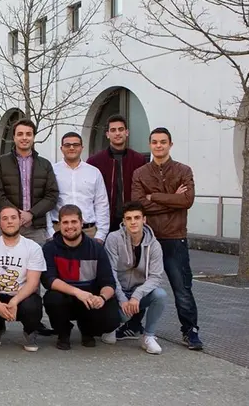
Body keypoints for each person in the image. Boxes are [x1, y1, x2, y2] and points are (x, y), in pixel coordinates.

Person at [131, 127, 202, 350]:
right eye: (154, 142)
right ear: (150, 144)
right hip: (148, 238)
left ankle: (190, 331)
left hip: (175, 237)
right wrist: (172, 199)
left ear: (170, 144)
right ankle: (134, 325)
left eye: (163, 142)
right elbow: (139, 204)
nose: (159, 145)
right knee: (140, 284)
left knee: (182, 287)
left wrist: (155, 197)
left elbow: (187, 201)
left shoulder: (183, 170)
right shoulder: (140, 173)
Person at [41, 205, 121, 350]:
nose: (70, 226)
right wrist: (78, 292)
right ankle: (63, 333)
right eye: (65, 222)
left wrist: (101, 298)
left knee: (112, 318)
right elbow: (49, 280)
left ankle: (88, 331)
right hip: (66, 299)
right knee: (52, 298)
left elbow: (108, 282)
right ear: (59, 225)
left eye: (74, 222)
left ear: (81, 222)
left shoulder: (96, 248)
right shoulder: (49, 249)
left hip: (90, 300)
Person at [102, 201, 167, 354]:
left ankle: (148, 336)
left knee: (160, 295)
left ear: (144, 220)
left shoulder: (154, 245)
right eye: (129, 218)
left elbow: (156, 277)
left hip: (138, 294)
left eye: (137, 218)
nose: (133, 222)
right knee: (115, 326)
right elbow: (109, 272)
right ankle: (113, 327)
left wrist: (137, 295)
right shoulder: (114, 238)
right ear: (124, 221)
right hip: (117, 293)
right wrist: (122, 299)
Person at [0, 206, 46, 351]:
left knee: (32, 306)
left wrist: (15, 301)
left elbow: (33, 283)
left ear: (20, 221)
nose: (9, 222)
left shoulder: (33, 247)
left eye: (13, 218)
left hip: (23, 297)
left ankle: (29, 331)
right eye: (4, 218)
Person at [0, 118, 58, 245]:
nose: (24, 138)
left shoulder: (44, 164)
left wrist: (31, 214)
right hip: (8, 227)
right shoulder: (1, 163)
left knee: (36, 264)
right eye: (20, 134)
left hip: (36, 228)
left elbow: (52, 195)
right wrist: (16, 215)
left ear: (33, 137)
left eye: (28, 134)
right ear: (14, 137)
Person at [87, 114, 147, 232]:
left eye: (121, 129)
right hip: (105, 221)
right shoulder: (94, 161)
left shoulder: (139, 160)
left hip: (132, 220)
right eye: (113, 130)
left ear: (127, 132)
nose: (117, 133)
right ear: (107, 134)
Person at [47, 132, 110, 243]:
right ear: (61, 148)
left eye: (75, 145)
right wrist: (50, 232)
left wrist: (100, 235)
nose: (71, 148)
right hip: (59, 231)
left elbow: (101, 204)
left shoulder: (93, 172)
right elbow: (47, 203)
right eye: (67, 145)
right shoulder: (52, 171)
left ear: (82, 147)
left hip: (89, 232)